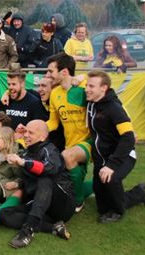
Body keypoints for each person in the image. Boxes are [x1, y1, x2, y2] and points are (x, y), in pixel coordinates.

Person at [0, 120, 75, 248]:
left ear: (42, 137)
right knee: (3, 214)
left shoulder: (50, 150)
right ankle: (53, 227)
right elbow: (12, 152)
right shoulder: (26, 152)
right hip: (40, 206)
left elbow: (47, 168)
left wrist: (23, 163)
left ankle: (27, 230)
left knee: (44, 179)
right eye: (25, 131)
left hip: (62, 204)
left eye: (31, 132)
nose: (26, 135)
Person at [85, 70, 145, 223]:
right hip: (102, 159)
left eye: (91, 86)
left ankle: (118, 212)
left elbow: (128, 137)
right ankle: (140, 193)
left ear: (104, 88)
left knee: (112, 180)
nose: (87, 89)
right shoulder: (92, 102)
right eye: (86, 85)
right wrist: (77, 78)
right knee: (103, 205)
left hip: (123, 156)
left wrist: (112, 165)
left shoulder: (114, 108)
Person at [46, 53, 93, 212]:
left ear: (64, 72)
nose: (48, 75)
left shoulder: (84, 87)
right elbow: (53, 122)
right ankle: (98, 185)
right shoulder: (54, 93)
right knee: (70, 184)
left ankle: (78, 202)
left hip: (91, 141)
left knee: (68, 156)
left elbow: (107, 96)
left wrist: (83, 76)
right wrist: (36, 129)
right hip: (71, 144)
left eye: (51, 71)